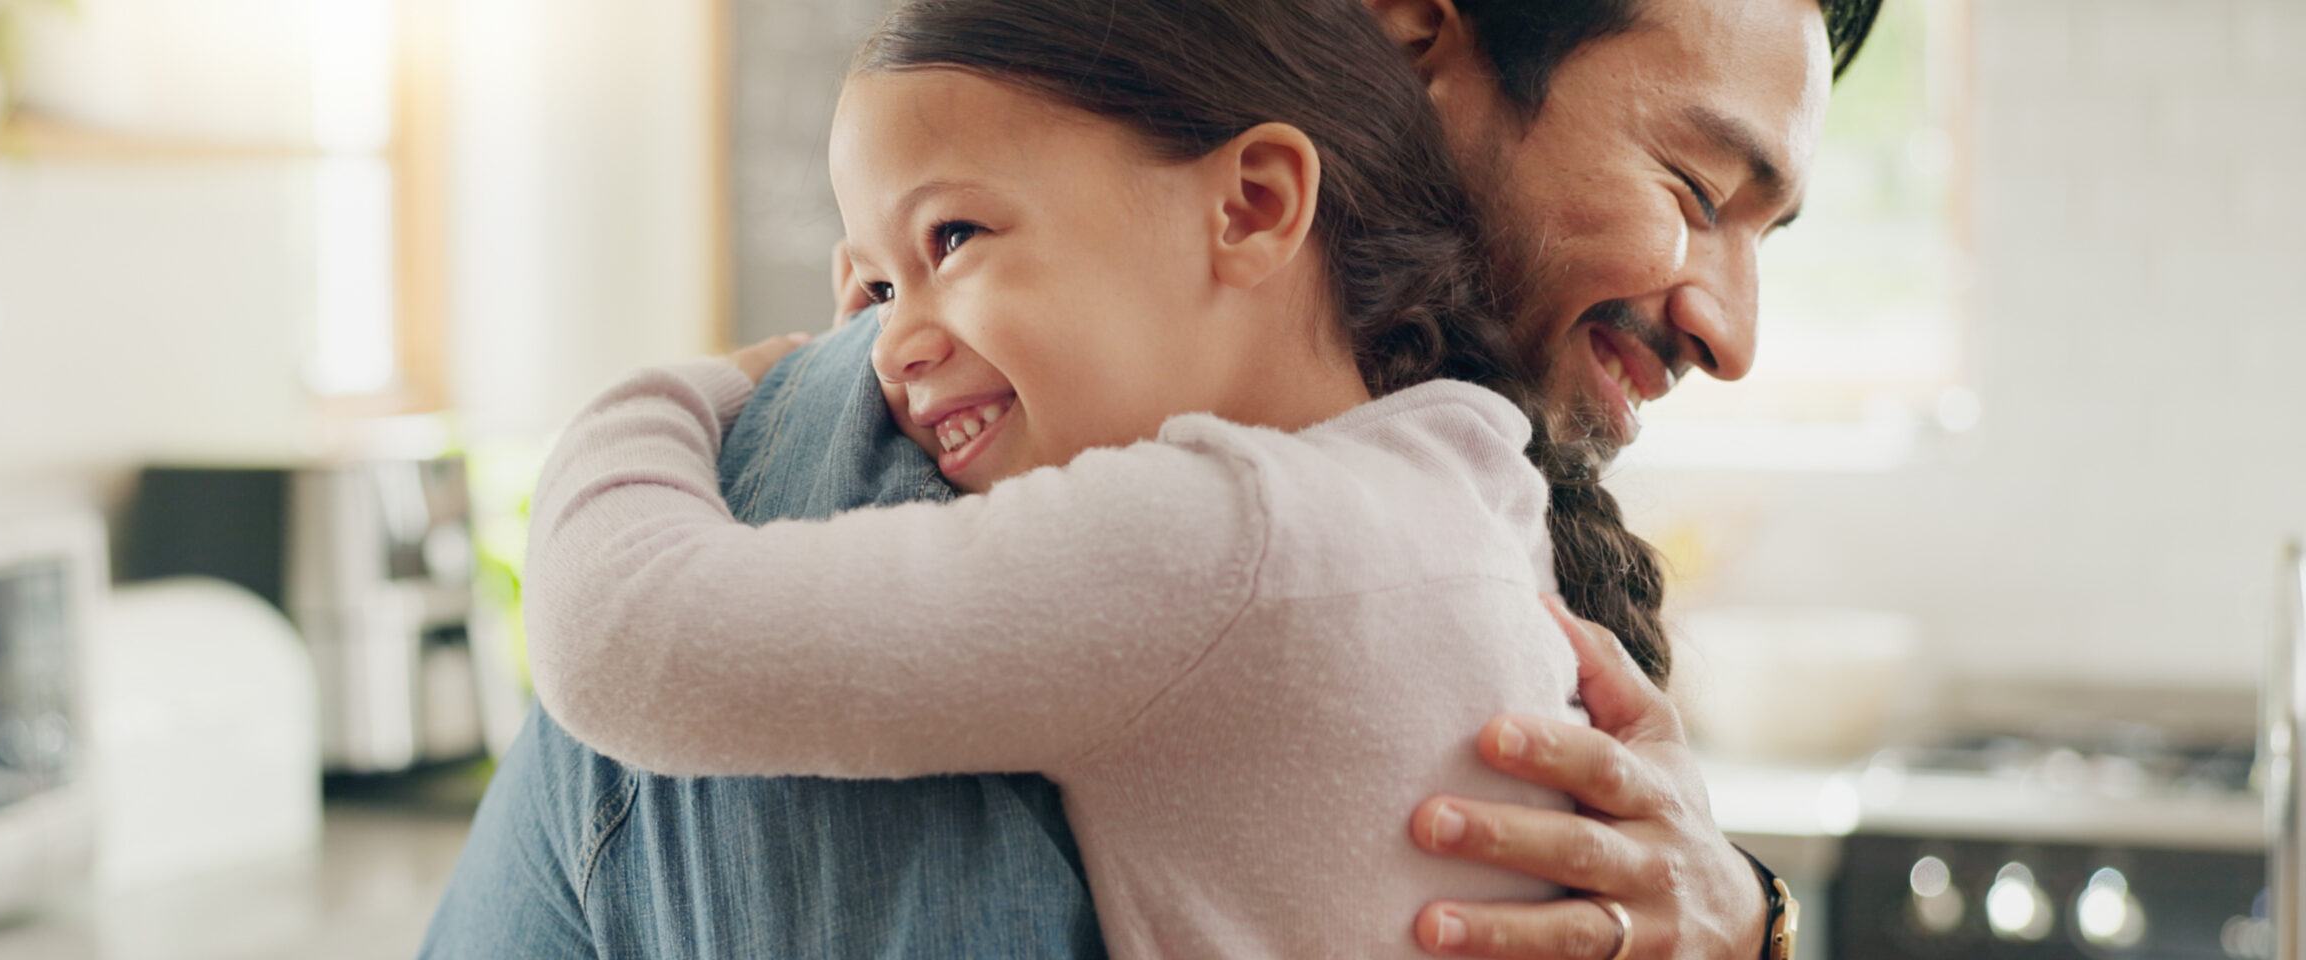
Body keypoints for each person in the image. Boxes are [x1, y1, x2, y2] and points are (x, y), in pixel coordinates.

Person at [423, 0, 1879, 955]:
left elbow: (625, 630)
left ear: (1262, 203)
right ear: (1414, 33)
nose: (1731, 331)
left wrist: (1736, 919)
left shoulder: (1325, 518)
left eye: (953, 243)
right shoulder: (1431, 488)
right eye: (1693, 195)